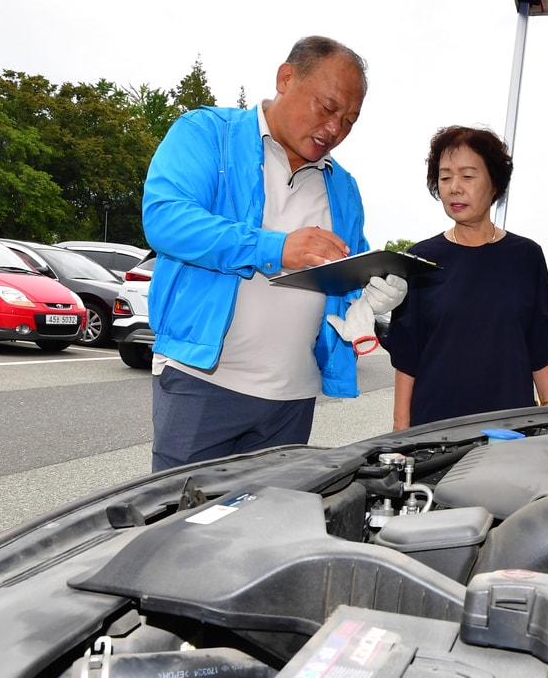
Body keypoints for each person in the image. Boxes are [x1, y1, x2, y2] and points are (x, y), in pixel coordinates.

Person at [142, 36, 408, 471]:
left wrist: (372, 297)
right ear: (286, 78)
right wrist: (277, 246)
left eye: (349, 120)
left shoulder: (344, 187)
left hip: (293, 398)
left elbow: (346, 273)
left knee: (267, 531)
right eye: (327, 107)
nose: (334, 129)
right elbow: (166, 219)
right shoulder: (208, 133)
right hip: (203, 382)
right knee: (184, 529)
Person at [387, 126, 548, 429]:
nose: (455, 187)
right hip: (435, 428)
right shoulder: (420, 258)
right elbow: (407, 353)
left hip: (509, 428)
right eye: (445, 177)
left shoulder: (526, 256)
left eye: (468, 176)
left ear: (494, 183)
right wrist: (400, 430)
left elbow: (539, 344)